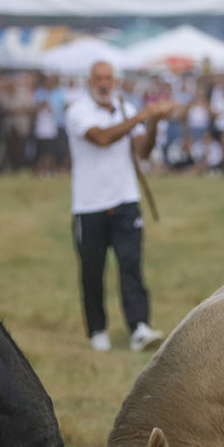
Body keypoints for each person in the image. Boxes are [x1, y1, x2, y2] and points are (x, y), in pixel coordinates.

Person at [65, 61, 173, 352]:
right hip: (89, 204)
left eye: (109, 78)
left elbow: (143, 150)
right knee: (92, 270)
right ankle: (97, 328)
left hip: (125, 198)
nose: (104, 83)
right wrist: (142, 115)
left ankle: (139, 326)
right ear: (90, 81)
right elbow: (101, 138)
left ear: (116, 81)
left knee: (131, 264)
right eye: (99, 78)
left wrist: (153, 123)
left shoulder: (126, 109)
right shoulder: (78, 111)